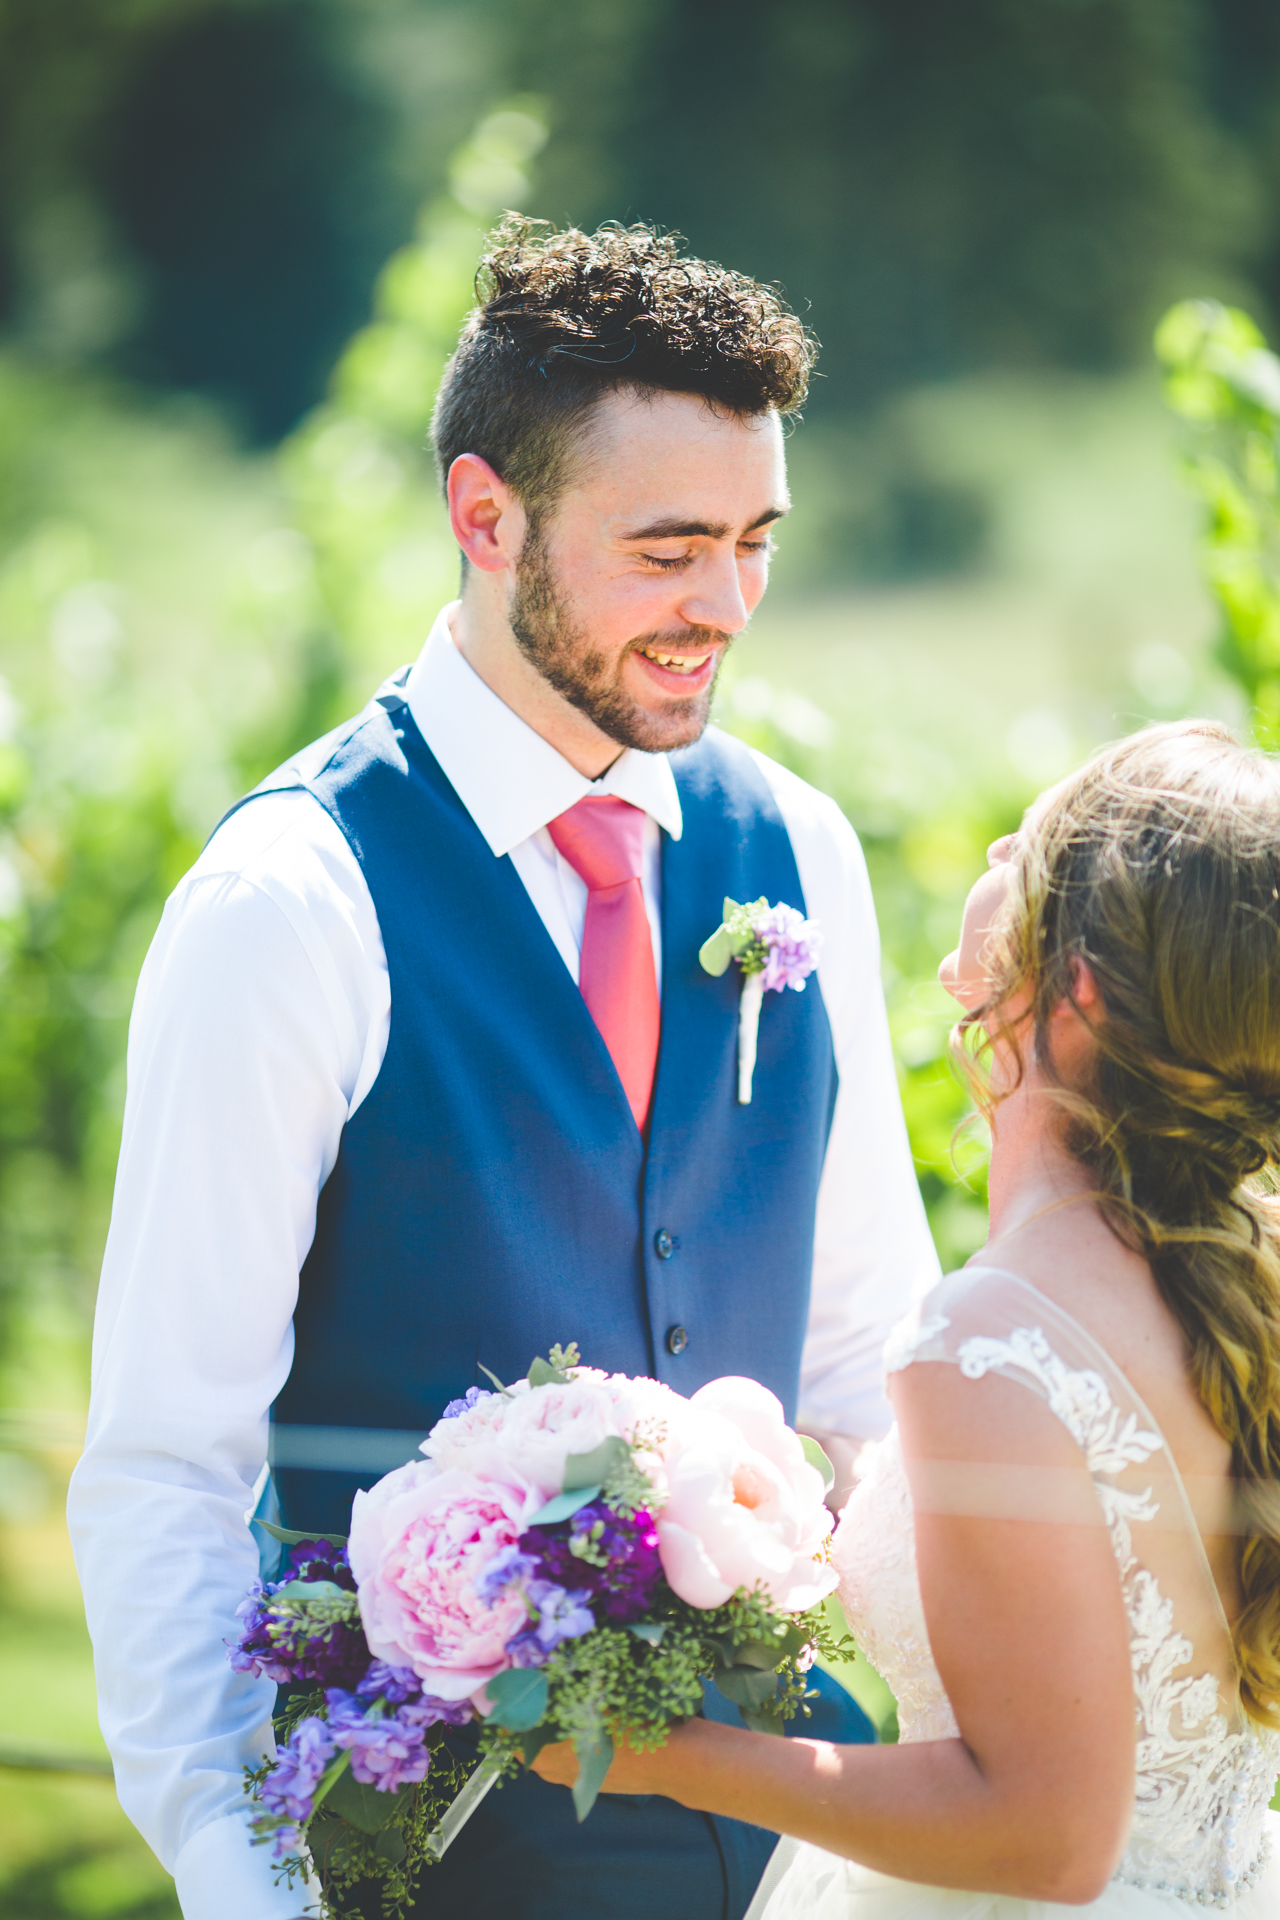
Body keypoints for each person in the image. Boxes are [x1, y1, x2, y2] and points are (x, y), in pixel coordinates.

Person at [66, 218, 939, 1920]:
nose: (729, 607)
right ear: (487, 516)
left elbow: (866, 1362)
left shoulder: (798, 849)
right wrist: (253, 1888)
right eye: (670, 548)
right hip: (427, 1867)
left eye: (756, 542)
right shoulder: (289, 906)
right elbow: (168, 1468)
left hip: (788, 1860)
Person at [534, 718, 1280, 1918]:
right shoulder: (1246, 1270)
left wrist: (659, 1752)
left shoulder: (991, 1340)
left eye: (1023, 847)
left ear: (1073, 987)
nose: (990, 842)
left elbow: (1044, 1841)